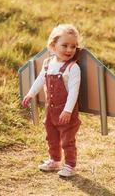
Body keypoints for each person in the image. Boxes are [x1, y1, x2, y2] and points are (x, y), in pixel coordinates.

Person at [22, 24, 81, 177]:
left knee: (67, 139)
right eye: (65, 45)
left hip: (66, 111)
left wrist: (68, 110)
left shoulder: (73, 68)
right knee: (52, 136)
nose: (69, 50)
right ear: (53, 46)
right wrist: (30, 94)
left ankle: (69, 165)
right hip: (51, 110)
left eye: (73, 46)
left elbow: (74, 92)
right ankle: (55, 160)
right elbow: (40, 79)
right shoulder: (48, 63)